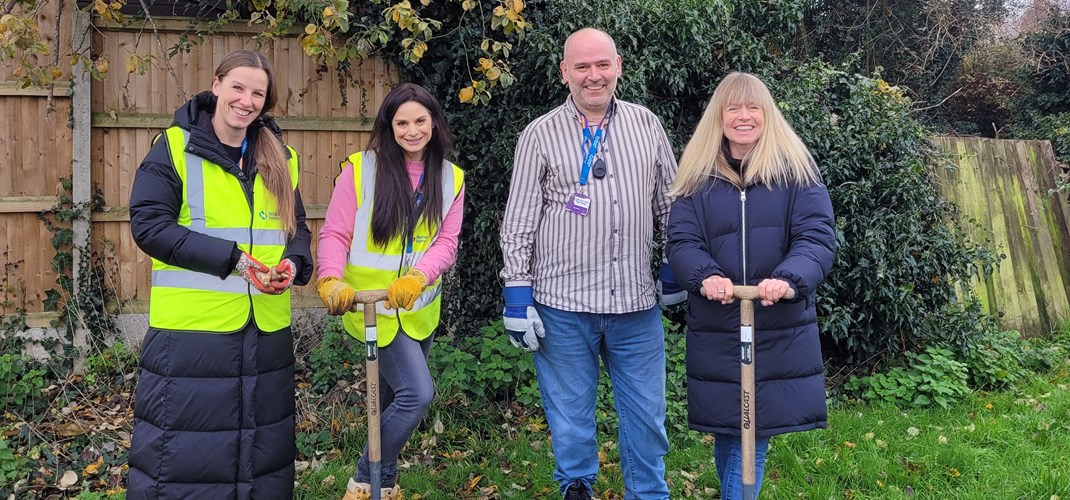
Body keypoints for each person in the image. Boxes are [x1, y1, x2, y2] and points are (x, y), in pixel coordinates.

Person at [499, 27, 681, 500]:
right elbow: (519, 221)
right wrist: (516, 296)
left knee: (647, 416)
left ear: (618, 65)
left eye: (602, 64)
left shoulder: (647, 125)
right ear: (565, 73)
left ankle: (648, 493)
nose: (593, 75)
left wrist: (675, 263)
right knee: (570, 417)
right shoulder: (539, 135)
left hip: (636, 306)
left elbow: (671, 206)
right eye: (582, 66)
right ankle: (577, 488)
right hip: (562, 306)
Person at [126, 49, 312, 499]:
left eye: (258, 93)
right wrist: (236, 262)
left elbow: (297, 230)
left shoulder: (280, 157)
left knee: (261, 457)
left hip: (266, 334)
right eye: (238, 87)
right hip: (192, 339)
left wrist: (294, 264)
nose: (246, 100)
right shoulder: (173, 147)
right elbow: (149, 226)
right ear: (216, 86)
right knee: (184, 464)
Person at [665, 72, 836, 499]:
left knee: (753, 435)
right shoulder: (697, 175)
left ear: (767, 113)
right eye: (733, 108)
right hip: (719, 323)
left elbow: (816, 237)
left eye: (753, 107)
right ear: (718, 116)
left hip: (776, 324)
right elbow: (681, 241)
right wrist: (706, 277)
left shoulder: (795, 170)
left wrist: (787, 278)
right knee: (728, 430)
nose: (743, 117)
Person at [316, 82, 465, 500]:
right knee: (417, 394)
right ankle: (365, 480)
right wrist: (329, 277)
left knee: (393, 403)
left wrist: (419, 277)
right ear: (389, 125)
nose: (412, 130)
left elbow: (446, 243)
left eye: (420, 121)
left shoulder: (450, 178)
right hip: (370, 309)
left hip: (417, 310)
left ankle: (387, 486)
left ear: (434, 123)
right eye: (402, 122)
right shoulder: (361, 169)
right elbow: (335, 232)